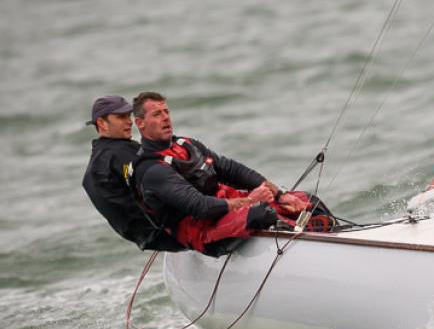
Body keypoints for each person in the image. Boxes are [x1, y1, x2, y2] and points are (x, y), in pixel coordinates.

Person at [131, 91, 309, 255]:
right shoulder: (152, 170)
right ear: (140, 123)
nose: (165, 118)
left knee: (306, 200)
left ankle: (324, 232)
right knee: (261, 213)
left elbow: (230, 169)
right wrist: (250, 201)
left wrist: (280, 194)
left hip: (228, 209)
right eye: (157, 114)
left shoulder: (186, 144)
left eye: (166, 112)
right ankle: (303, 243)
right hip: (200, 230)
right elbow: (200, 206)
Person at [82, 95, 183, 251]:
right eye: (121, 117)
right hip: (170, 233)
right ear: (102, 123)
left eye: (129, 115)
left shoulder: (98, 160)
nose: (129, 121)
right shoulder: (121, 155)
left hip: (150, 238)